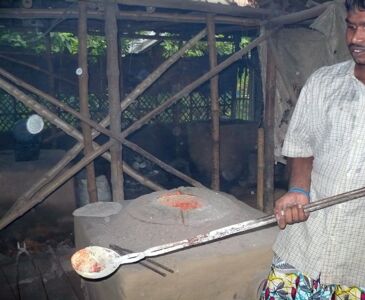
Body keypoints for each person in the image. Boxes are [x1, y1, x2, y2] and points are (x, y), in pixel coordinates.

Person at [261, 0, 365, 299]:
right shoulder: (323, 83)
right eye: (351, 26)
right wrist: (299, 190)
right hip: (305, 245)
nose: (355, 39)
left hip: (357, 261)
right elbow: (302, 145)